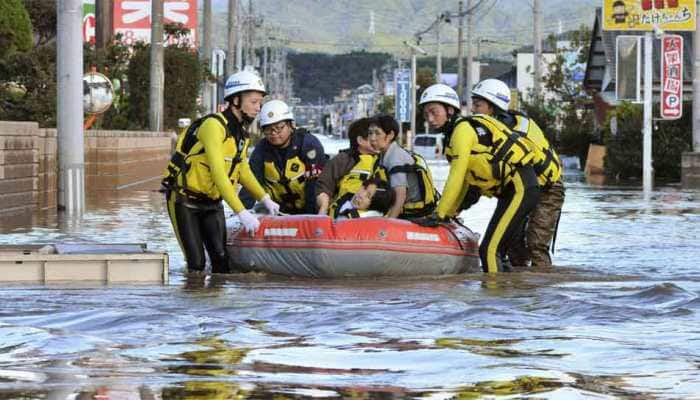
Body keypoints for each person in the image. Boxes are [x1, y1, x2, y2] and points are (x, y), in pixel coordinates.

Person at [161, 70, 280, 274]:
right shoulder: (213, 126)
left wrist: (265, 198)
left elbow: (242, 169)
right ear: (235, 100)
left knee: (221, 262)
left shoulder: (241, 134)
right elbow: (219, 174)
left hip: (212, 203)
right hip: (184, 201)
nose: (257, 108)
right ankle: (193, 300)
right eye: (253, 102)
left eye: (259, 103)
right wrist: (242, 212)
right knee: (196, 264)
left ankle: (217, 304)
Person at [418, 83, 540, 274]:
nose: (430, 119)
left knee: (489, 251)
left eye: (434, 112)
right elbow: (467, 182)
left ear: (450, 110)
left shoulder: (462, 131)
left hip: (521, 187)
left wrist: (440, 214)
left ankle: (492, 300)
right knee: (498, 251)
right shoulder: (452, 136)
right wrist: (450, 212)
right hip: (514, 191)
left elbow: (456, 177)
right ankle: (512, 291)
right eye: (426, 114)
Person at [471, 78, 565, 268]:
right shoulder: (496, 130)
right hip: (523, 190)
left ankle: (542, 291)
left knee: (536, 245)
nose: (473, 110)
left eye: (477, 104)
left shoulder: (512, 133)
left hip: (548, 189)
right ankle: (518, 291)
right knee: (514, 244)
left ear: (492, 107)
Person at [241, 99, 326, 214]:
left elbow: (316, 186)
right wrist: (241, 213)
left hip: (311, 209)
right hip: (280, 212)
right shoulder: (261, 150)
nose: (274, 133)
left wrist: (309, 218)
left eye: (279, 128)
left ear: (291, 125)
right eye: (268, 129)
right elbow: (251, 183)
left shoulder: (308, 145)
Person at [368, 114, 438, 219]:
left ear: (390, 135)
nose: (372, 138)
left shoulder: (395, 158)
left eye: (377, 133)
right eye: (370, 133)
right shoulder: (384, 155)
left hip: (414, 214)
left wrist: (387, 224)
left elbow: (400, 196)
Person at [316, 118, 386, 218]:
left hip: (375, 223)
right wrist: (323, 210)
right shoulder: (343, 160)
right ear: (361, 140)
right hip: (342, 221)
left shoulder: (386, 158)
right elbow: (323, 186)